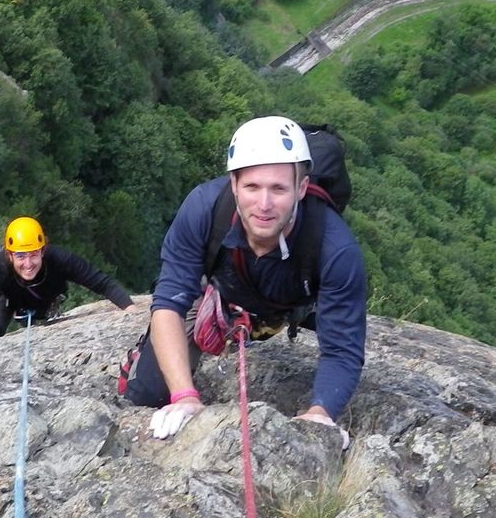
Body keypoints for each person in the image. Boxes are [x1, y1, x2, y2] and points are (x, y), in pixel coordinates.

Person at [121, 116, 366, 442]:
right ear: (234, 184)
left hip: (292, 302)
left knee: (336, 334)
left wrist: (320, 412)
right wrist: (183, 396)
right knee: (148, 394)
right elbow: (170, 301)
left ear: (302, 188)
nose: (264, 205)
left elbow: (341, 350)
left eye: (279, 188)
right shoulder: (204, 210)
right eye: (252, 187)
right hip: (225, 288)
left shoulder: (335, 250)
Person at [0, 216, 135, 347]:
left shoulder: (60, 260)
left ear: (43, 251)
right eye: (20, 256)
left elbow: (101, 282)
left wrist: (131, 310)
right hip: (7, 299)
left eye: (34, 255)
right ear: (9, 255)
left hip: (45, 299)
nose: (28, 264)